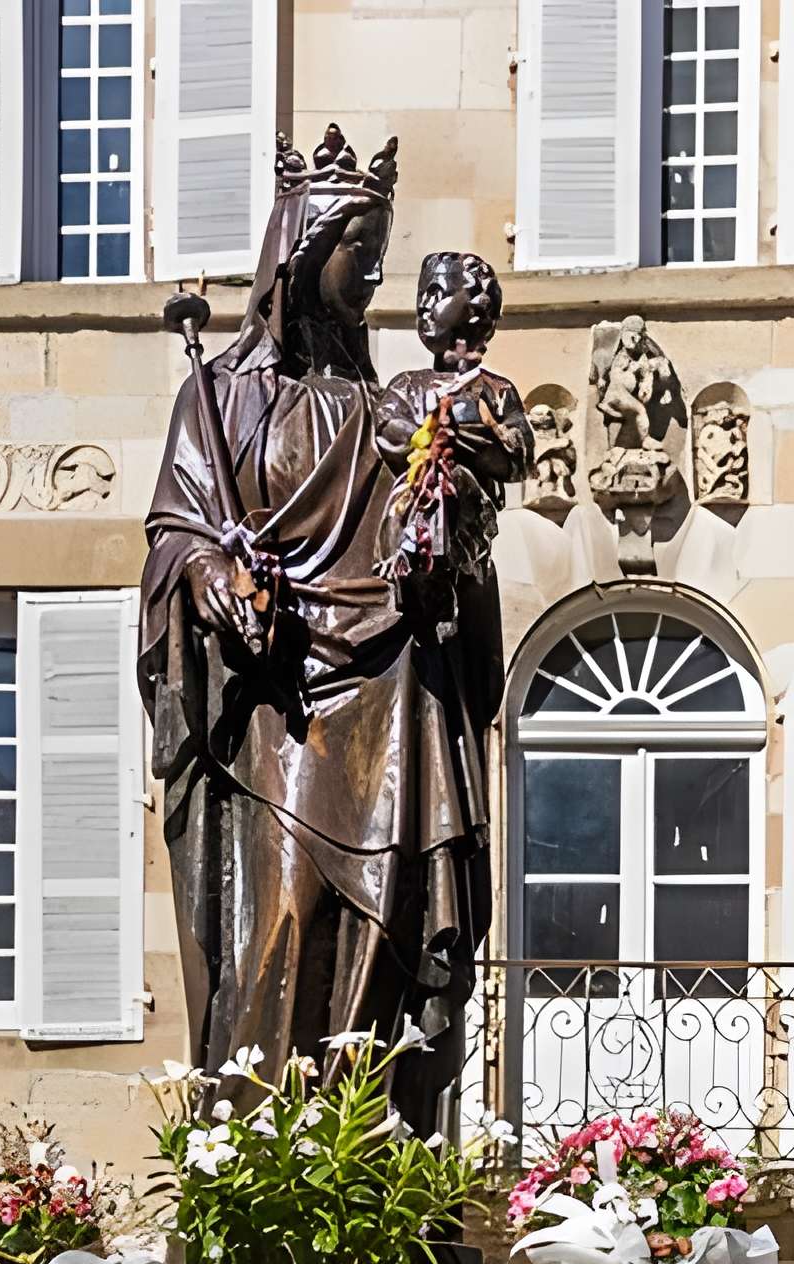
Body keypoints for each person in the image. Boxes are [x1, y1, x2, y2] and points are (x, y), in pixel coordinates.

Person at [138, 127, 508, 1128]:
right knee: (284, 922)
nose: (374, 276)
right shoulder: (214, 397)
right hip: (280, 708)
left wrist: (451, 529)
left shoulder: (384, 409)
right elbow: (172, 536)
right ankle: (265, 1175)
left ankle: (374, 1174)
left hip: (393, 693)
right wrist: (210, 573)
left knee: (388, 931)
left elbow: (441, 531)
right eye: (359, 253)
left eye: (383, 256)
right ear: (301, 257)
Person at [375, 251, 533, 612]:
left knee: (455, 479)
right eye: (422, 294)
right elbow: (386, 427)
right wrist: (433, 438)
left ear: (474, 310)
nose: (423, 304)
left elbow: (519, 455)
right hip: (408, 508)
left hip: (467, 526)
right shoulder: (407, 384)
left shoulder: (496, 390)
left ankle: (439, 568)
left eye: (436, 292)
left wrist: (461, 443)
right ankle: (412, 563)